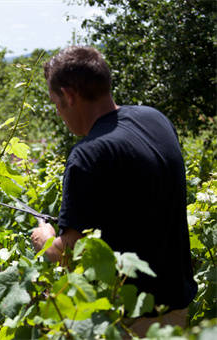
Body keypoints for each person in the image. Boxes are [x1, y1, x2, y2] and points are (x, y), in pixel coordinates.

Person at [31, 46, 197, 335]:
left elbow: (71, 256)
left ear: (69, 96)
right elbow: (134, 204)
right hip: (177, 307)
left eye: (55, 102)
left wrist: (46, 241)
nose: (58, 111)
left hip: (130, 318)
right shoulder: (154, 119)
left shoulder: (88, 154)